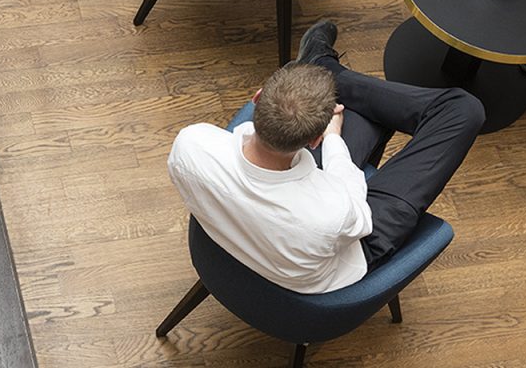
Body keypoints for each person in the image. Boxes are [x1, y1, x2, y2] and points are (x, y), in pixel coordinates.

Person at [167, 20, 483, 293]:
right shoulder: (331, 211)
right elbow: (355, 207)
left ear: (258, 98)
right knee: (462, 110)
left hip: (263, 230)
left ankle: (325, 70)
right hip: (346, 250)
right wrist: (333, 137)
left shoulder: (191, 143)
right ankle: (328, 70)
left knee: (371, 110)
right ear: (314, 140)